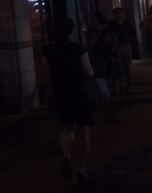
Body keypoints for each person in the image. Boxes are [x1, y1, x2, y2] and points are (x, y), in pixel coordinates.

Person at [42, 17, 95, 185]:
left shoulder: (47, 50)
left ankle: (67, 158)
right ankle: (82, 170)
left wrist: (50, 91)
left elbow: (46, 76)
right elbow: (89, 72)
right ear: (71, 31)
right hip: (78, 92)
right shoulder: (78, 49)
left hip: (61, 93)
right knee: (83, 131)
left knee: (66, 128)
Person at [105, 7, 135, 93]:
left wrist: (127, 42)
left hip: (125, 46)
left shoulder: (127, 23)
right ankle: (121, 86)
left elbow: (131, 34)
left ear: (122, 14)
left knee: (127, 66)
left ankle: (128, 85)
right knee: (118, 67)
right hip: (115, 47)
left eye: (119, 13)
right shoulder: (111, 24)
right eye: (115, 14)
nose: (117, 15)